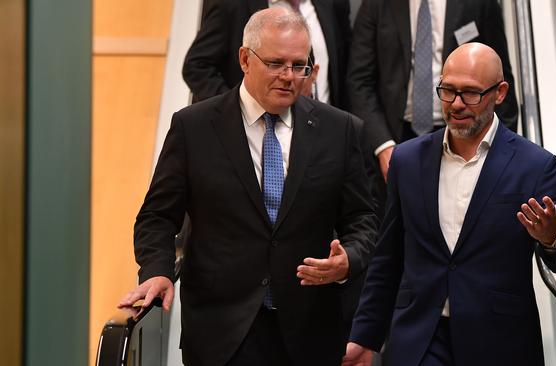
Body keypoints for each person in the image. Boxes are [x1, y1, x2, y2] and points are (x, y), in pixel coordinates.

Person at [119, 8, 377, 366]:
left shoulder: (341, 130)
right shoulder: (193, 127)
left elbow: (364, 218)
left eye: (298, 65)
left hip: (309, 334)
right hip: (221, 334)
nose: (289, 77)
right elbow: (158, 216)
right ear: (245, 59)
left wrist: (350, 258)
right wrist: (158, 269)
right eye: (275, 64)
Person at [342, 43, 556, 366]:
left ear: (499, 93)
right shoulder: (407, 159)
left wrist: (552, 239)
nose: (456, 104)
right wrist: (364, 337)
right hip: (420, 340)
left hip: (499, 343)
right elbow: (388, 258)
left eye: (470, 93)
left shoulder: (534, 165)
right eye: (448, 91)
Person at [347, 0, 519, 194]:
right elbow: (359, 82)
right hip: (397, 135)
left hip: (465, 131)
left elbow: (501, 79)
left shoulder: (479, 3)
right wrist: (383, 146)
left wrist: (500, 152)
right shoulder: (377, 5)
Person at [182, 0, 351, 108]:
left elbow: (347, 69)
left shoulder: (334, 4)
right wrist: (237, 109)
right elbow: (196, 66)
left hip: (319, 133)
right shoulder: (232, 5)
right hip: (252, 135)